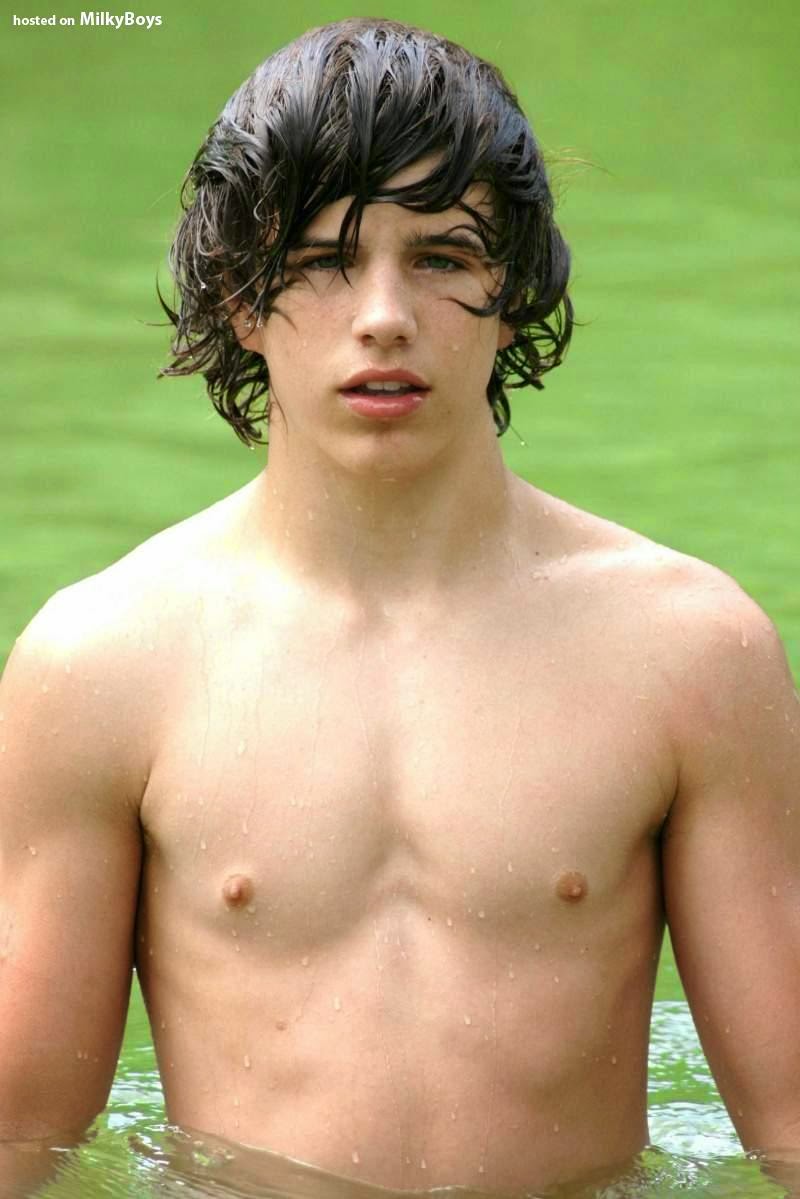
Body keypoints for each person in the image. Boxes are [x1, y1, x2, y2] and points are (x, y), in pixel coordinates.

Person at [1, 16, 799, 1198]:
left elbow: (788, 1124)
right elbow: (22, 1138)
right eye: (323, 260)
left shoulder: (685, 648)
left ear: (510, 292)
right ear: (238, 298)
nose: (383, 313)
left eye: (440, 256)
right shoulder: (103, 662)